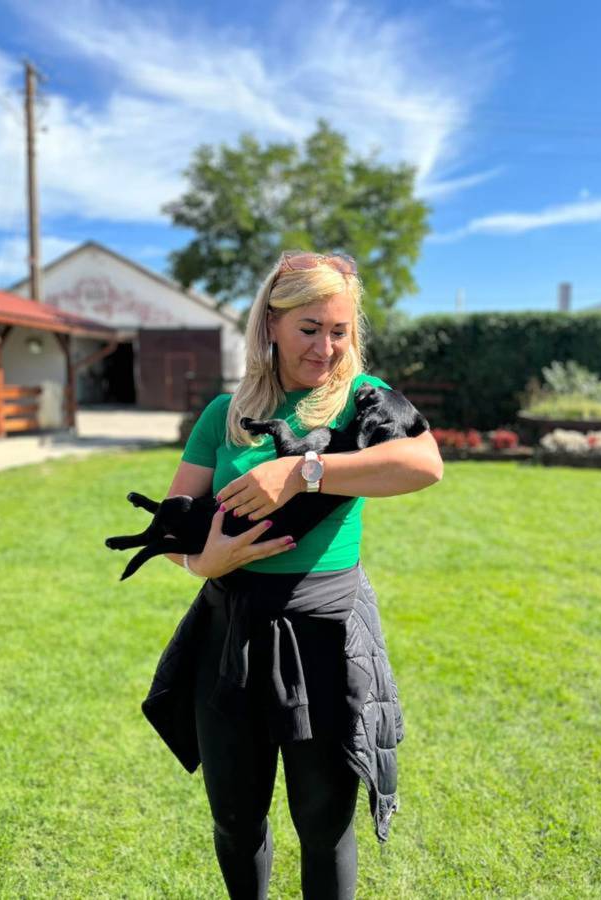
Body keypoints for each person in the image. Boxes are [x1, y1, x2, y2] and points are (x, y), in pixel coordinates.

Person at [159, 249, 443, 899]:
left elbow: (424, 463)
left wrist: (302, 470)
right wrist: (200, 562)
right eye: (309, 328)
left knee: (324, 825)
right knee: (234, 819)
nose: (325, 347)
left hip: (325, 633)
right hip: (230, 634)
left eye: (339, 330)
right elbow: (172, 522)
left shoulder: (361, 402)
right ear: (271, 324)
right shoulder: (225, 414)